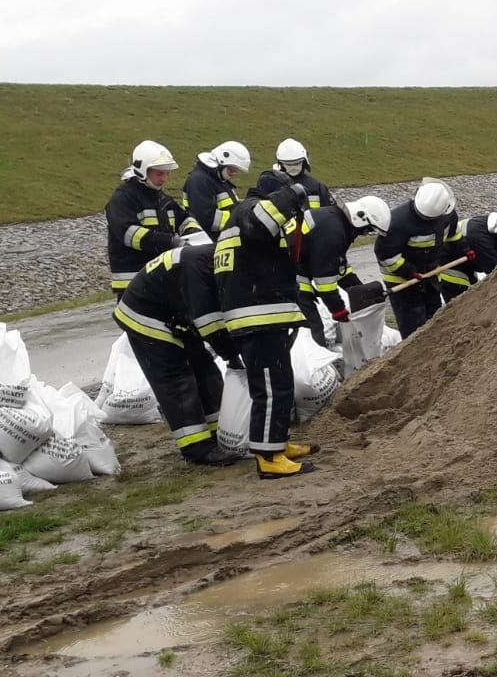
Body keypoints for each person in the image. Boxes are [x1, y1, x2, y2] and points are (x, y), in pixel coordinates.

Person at [214, 184, 318, 478]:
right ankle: (268, 458)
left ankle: (277, 443)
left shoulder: (240, 219)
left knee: (280, 384)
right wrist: (292, 195)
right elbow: (262, 222)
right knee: (271, 389)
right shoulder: (249, 211)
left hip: (260, 317)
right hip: (257, 318)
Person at [114, 245, 244, 465]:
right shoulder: (198, 269)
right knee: (177, 381)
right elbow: (210, 324)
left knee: (206, 370)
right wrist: (232, 355)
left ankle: (218, 433)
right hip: (144, 317)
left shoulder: (215, 261)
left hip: (174, 316)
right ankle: (197, 449)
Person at [296, 195, 390, 344]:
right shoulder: (333, 232)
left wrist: (362, 291)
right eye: (368, 229)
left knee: (311, 325)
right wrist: (339, 310)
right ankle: (313, 362)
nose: (366, 234)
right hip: (287, 276)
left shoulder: (336, 221)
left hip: (293, 271)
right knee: (311, 326)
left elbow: (339, 268)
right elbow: (324, 282)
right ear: (361, 218)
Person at [374, 181, 460, 339]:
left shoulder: (447, 215)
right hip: (400, 280)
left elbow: (454, 235)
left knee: (434, 319)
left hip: (430, 274)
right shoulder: (397, 222)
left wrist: (464, 250)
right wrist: (409, 271)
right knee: (413, 327)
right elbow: (385, 255)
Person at [106, 141, 188, 297]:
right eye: (159, 173)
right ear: (143, 170)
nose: (164, 179)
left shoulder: (162, 198)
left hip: (158, 275)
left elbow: (184, 220)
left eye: (167, 173)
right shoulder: (123, 198)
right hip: (132, 279)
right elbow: (129, 234)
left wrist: (195, 236)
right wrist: (170, 241)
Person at [441, 209, 497, 298]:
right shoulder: (480, 239)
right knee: (462, 301)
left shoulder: (494, 227)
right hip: (449, 265)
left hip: (466, 261)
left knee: (474, 294)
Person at [180, 141, 250, 239]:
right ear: (221, 161)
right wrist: (239, 218)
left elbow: (231, 206)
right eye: (232, 169)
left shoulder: (219, 179)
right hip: (208, 242)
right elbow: (205, 219)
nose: (234, 173)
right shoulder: (199, 180)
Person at [256, 138, 334, 209]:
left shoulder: (317, 187)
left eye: (297, 163)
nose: (293, 167)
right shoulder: (269, 185)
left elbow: (331, 214)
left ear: (304, 162)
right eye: (289, 164)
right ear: (281, 163)